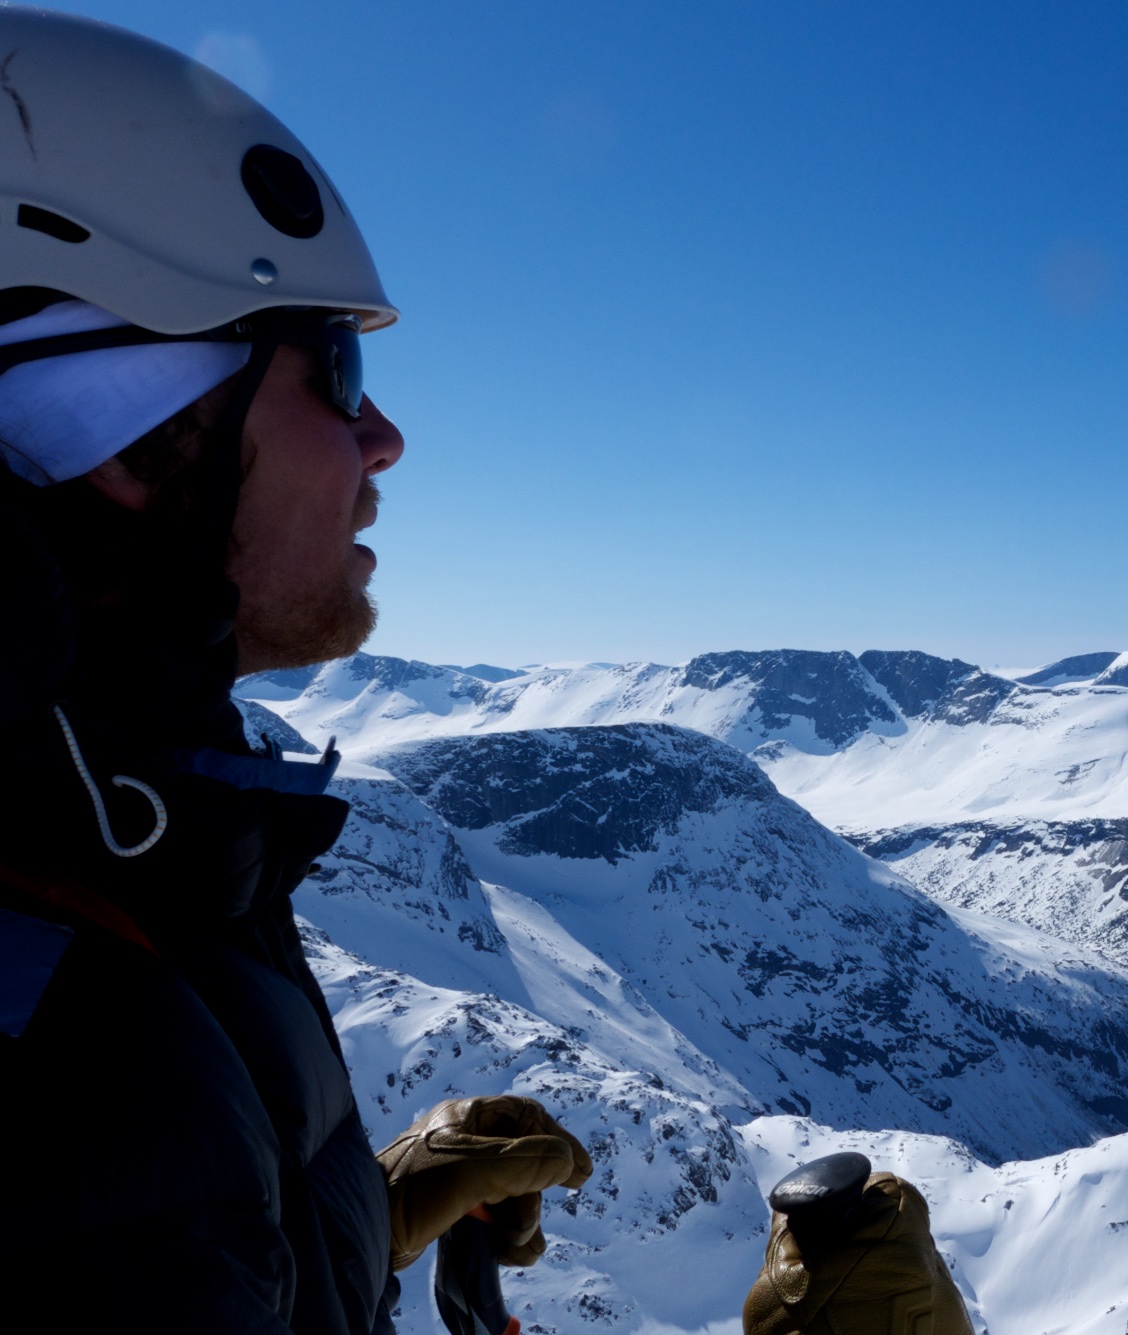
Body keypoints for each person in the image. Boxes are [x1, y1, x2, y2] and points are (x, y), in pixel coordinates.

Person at [0, 10, 589, 1332]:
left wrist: (353, 1214)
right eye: (335, 367)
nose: (384, 438)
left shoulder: (107, 838)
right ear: (131, 429)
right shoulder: (78, 1061)